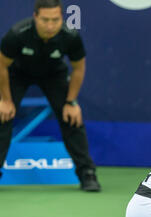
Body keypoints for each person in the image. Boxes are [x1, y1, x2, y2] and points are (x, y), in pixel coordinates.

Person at [0, 0, 100, 191]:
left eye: (55, 20)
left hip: (54, 75)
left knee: (72, 118)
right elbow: (1, 65)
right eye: (45, 20)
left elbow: (78, 69)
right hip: (17, 74)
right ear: (35, 16)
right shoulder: (17, 34)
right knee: (2, 116)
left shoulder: (69, 36)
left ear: (61, 17)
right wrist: (5, 100)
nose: (50, 25)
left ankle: (87, 173)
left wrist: (71, 101)